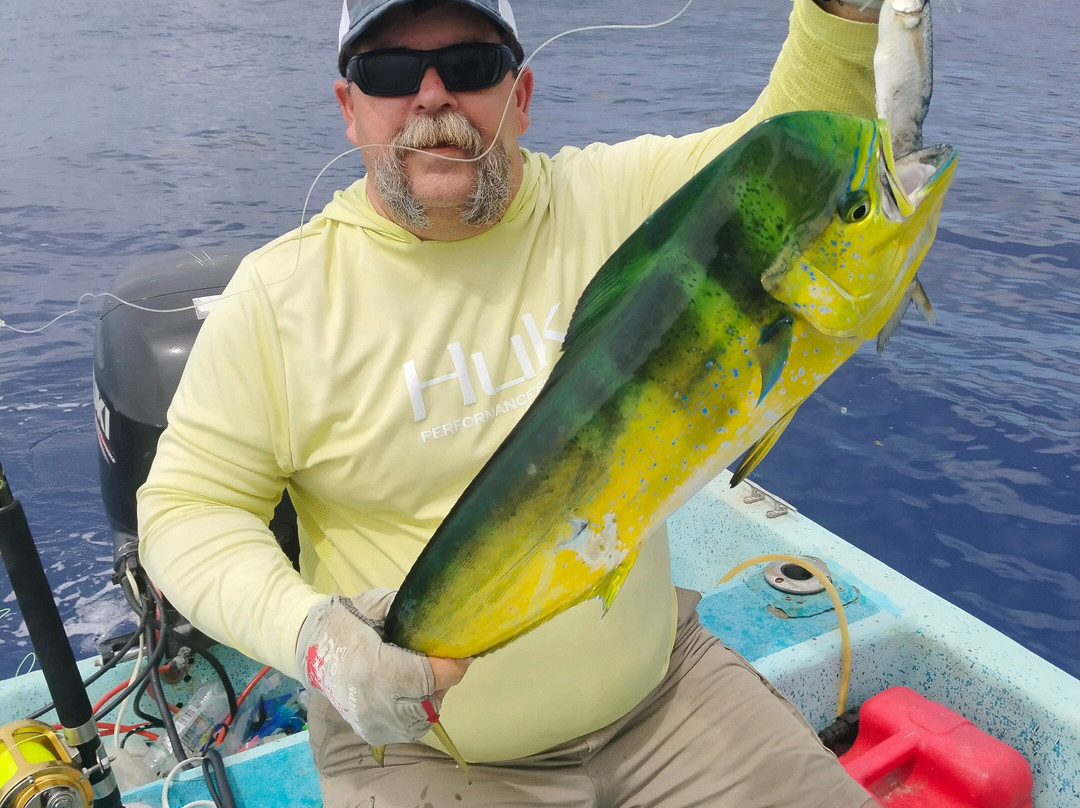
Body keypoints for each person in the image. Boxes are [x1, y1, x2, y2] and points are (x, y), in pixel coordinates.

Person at [138, 0, 888, 805]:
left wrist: (846, 14)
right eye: (389, 72)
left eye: (470, 66)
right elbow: (185, 509)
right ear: (348, 109)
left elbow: (801, 146)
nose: (432, 97)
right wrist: (314, 638)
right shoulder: (280, 299)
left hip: (666, 699)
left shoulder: (618, 200)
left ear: (521, 95)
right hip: (426, 755)